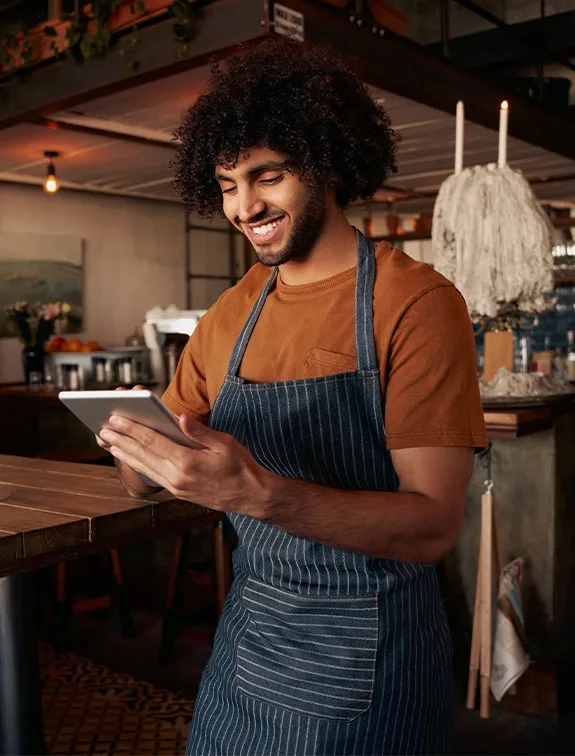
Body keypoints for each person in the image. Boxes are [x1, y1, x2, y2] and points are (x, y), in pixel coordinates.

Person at [99, 37, 487, 756]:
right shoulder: (232, 311)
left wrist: (258, 494)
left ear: (327, 160)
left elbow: (432, 525)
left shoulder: (416, 303)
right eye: (224, 185)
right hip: (249, 633)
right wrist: (137, 448)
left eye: (265, 175)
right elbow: (159, 468)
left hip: (368, 651)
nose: (244, 207)